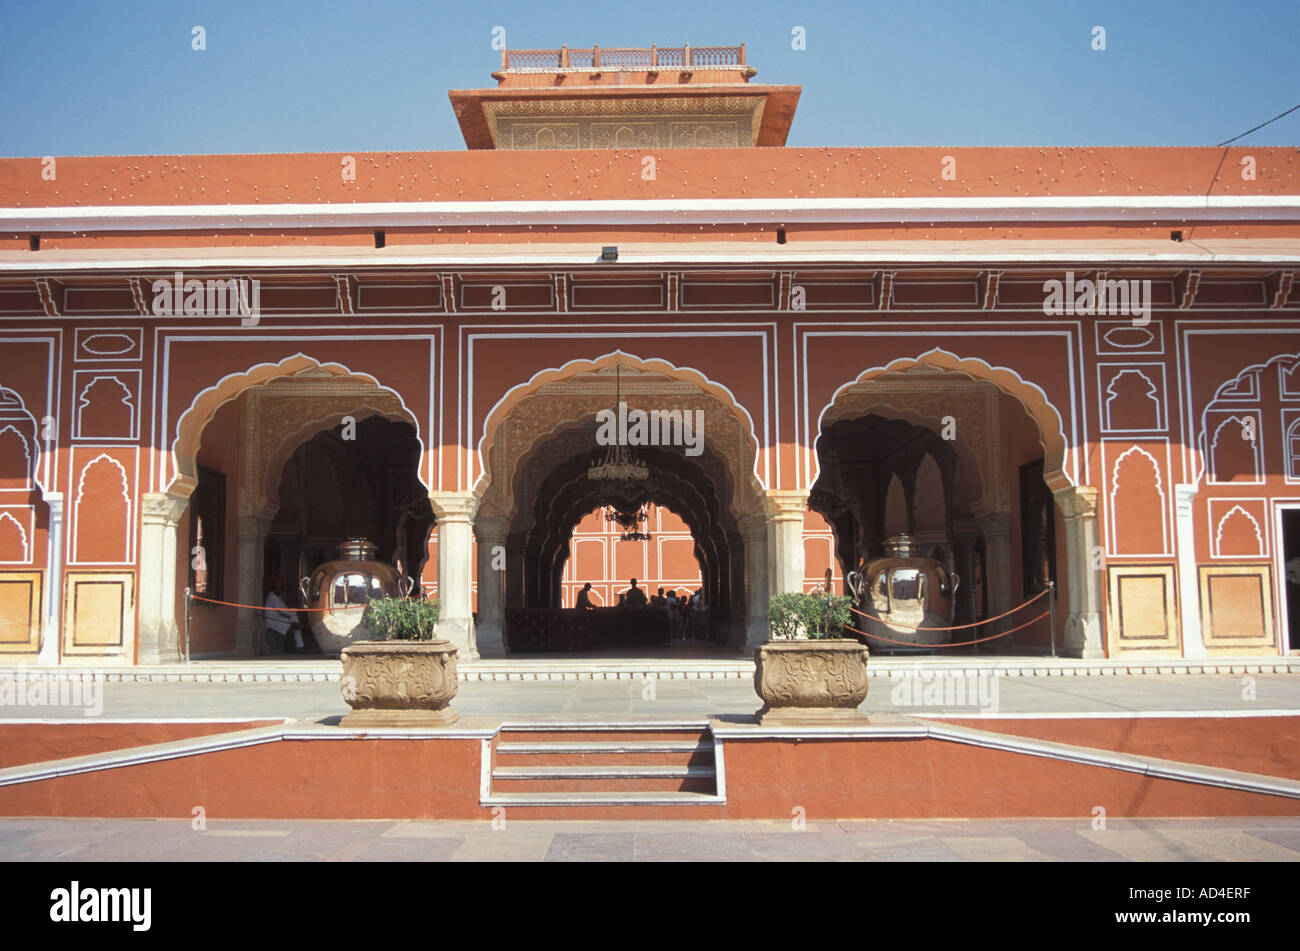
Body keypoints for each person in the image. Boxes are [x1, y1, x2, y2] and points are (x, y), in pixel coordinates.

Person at [264, 573, 304, 654]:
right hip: (272, 622)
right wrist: (295, 612)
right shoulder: (272, 597)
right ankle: (299, 646)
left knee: (294, 618)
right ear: (274, 588)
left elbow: (285, 609)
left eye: (280, 588)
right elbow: (284, 611)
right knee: (293, 621)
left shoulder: (278, 597)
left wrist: (295, 612)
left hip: (279, 620)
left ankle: (300, 646)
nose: (279, 590)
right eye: (277, 588)